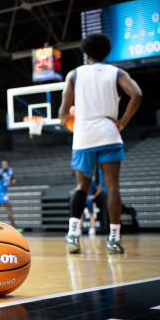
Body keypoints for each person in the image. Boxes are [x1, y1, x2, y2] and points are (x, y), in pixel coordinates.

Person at [59, 32, 142, 254]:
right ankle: (114, 240)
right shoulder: (117, 72)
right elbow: (137, 94)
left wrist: (68, 122)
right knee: (112, 187)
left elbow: (63, 112)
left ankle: (73, 237)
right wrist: (122, 122)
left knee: (81, 187)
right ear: (106, 52)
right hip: (109, 133)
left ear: (86, 55)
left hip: (84, 134)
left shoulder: (74, 75)